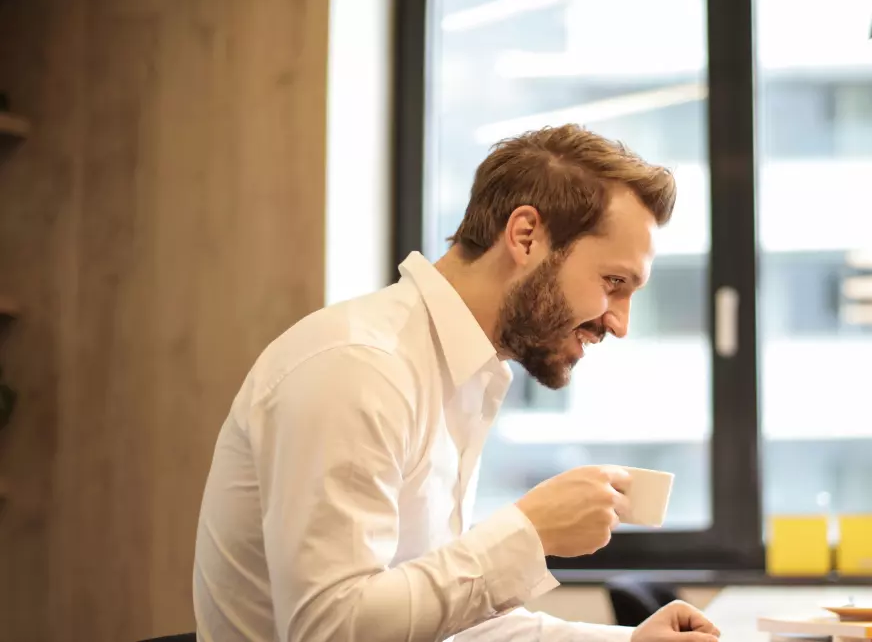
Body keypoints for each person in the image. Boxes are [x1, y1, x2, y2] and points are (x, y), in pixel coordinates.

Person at [192, 124, 721, 642]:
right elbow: (329, 631)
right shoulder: (359, 367)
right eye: (613, 283)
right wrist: (527, 533)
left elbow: (443, 623)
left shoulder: (462, 374)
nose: (620, 324)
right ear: (525, 236)